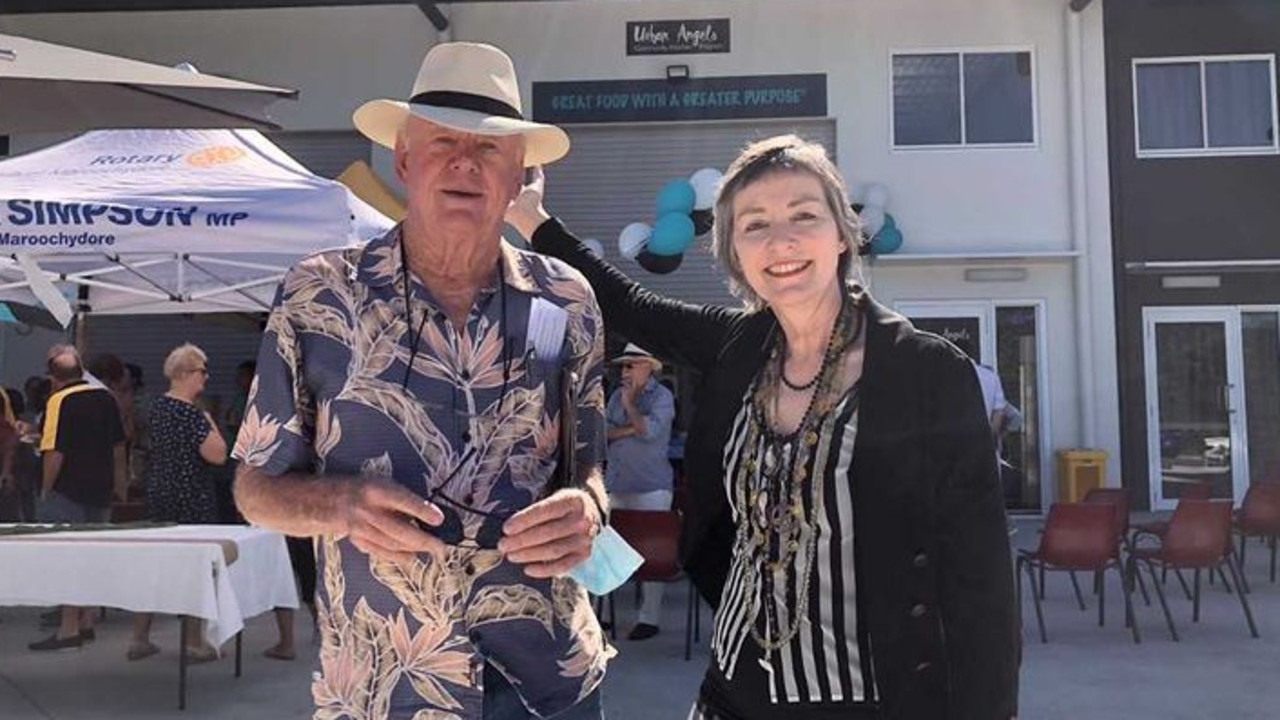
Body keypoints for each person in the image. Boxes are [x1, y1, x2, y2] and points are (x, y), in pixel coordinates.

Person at [507, 135, 1020, 719]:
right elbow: (628, 303)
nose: (782, 241)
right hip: (732, 693)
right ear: (734, 252)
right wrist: (531, 216)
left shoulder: (926, 371)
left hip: (866, 700)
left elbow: (982, 584)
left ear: (841, 235)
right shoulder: (739, 348)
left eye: (804, 215)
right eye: (755, 225)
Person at [231, 42, 610, 719]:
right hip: (383, 686)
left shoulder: (564, 300)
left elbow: (589, 469)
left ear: (519, 172)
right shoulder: (318, 295)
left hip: (547, 680)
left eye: (489, 148)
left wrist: (589, 511)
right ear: (405, 161)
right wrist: (337, 505)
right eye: (442, 144)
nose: (465, 162)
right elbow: (255, 489)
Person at [29, 345, 126, 651]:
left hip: (68, 491)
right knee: (93, 556)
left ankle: (68, 627)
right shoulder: (106, 398)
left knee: (67, 558)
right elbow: (118, 447)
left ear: (53, 377)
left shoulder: (59, 401)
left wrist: (46, 488)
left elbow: (54, 451)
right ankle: (87, 620)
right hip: (101, 490)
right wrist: (120, 485)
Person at [604, 343, 675, 641]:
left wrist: (631, 407)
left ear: (649, 367)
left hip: (651, 488)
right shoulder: (613, 398)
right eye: (623, 366)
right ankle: (604, 615)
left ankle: (649, 619)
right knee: (608, 552)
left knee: (653, 552)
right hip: (616, 485)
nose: (625, 371)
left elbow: (650, 432)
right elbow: (602, 433)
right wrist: (632, 426)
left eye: (631, 365)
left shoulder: (662, 397)